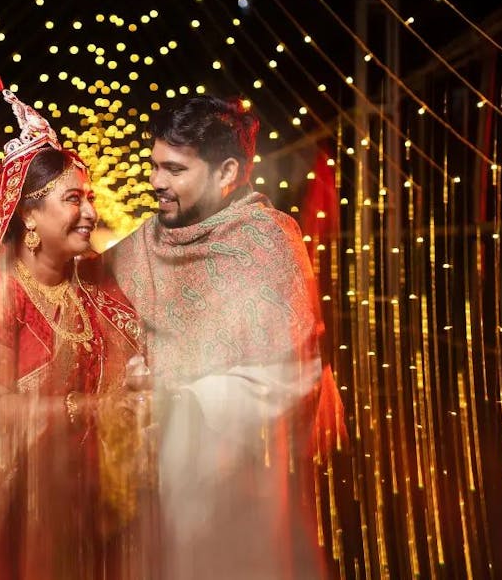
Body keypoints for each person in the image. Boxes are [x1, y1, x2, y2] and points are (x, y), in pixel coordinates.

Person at [0, 73, 151, 579]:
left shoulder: (96, 293)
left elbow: (133, 373)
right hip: (16, 512)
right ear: (28, 216)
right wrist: (89, 407)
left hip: (92, 511)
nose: (91, 212)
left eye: (89, 197)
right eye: (74, 199)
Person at [106, 95, 341, 578]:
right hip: (145, 505)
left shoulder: (267, 244)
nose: (156, 182)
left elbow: (291, 375)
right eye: (154, 166)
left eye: (174, 170)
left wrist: (183, 402)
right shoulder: (139, 249)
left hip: (241, 503)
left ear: (226, 172)